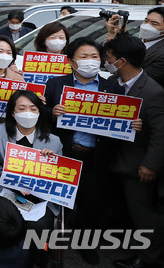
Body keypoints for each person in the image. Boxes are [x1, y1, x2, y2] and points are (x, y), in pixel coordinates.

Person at [44, 37, 124, 264]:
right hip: (66, 152)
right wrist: (51, 112)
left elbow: (121, 122)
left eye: (94, 57)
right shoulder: (56, 84)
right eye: (84, 57)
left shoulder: (112, 87)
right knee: (60, 200)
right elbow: (43, 115)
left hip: (96, 155)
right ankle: (52, 243)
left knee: (92, 202)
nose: (90, 61)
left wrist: (131, 124)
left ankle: (86, 244)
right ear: (71, 61)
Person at [103, 35, 164, 268]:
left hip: (137, 165)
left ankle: (148, 259)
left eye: (109, 58)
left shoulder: (154, 93)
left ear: (122, 61)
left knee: (143, 215)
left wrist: (150, 164)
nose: (107, 61)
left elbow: (162, 135)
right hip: (113, 159)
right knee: (125, 212)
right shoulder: (113, 81)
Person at [0, 90, 62, 267]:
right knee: (1, 222)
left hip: (39, 197)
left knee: (39, 228)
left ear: (40, 112)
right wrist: (15, 181)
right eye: (22, 108)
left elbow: (61, 176)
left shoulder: (54, 141)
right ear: (13, 112)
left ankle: (34, 261)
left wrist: (51, 162)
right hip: (5, 190)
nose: (28, 113)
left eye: (33, 109)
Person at [110, 7, 164, 95]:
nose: (147, 26)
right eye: (146, 21)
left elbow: (139, 79)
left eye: (154, 24)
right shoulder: (137, 42)